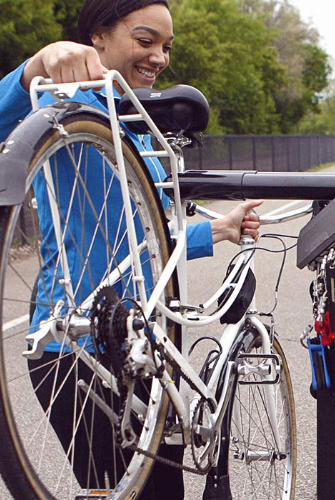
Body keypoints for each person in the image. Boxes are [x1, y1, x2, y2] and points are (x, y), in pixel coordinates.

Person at [0, 0, 261, 498]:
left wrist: (220, 230)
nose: (159, 57)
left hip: (147, 340)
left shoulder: (141, 129)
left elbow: (151, 242)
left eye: (165, 47)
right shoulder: (64, 105)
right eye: (145, 42)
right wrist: (36, 66)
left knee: (165, 488)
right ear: (98, 37)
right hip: (76, 344)